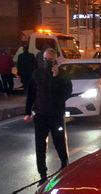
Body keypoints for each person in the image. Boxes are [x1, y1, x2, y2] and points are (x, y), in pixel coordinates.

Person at [24, 48, 73, 183]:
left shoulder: (63, 75)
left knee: (59, 143)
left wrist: (56, 77)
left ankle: (64, 166)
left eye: (49, 60)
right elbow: (31, 94)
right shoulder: (37, 73)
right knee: (40, 146)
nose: (46, 62)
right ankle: (43, 175)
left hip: (56, 115)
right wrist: (28, 112)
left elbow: (67, 92)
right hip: (40, 116)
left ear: (55, 60)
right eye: (44, 59)